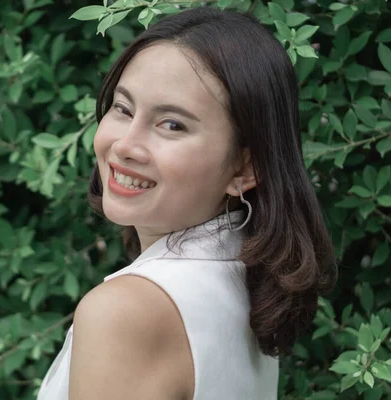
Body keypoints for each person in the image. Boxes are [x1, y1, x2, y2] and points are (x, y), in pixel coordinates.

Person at [37, 6, 337, 400]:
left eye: (172, 124)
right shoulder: (243, 283)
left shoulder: (127, 311)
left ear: (245, 167)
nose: (125, 145)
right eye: (123, 108)